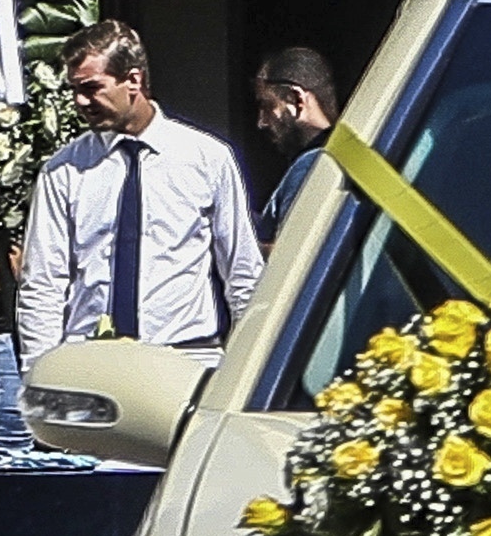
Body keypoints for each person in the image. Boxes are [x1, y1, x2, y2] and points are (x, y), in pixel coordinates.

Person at [17, 24, 265, 363]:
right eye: (74, 90)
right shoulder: (64, 170)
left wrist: (248, 365)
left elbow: (242, 270)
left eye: (91, 88)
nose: (80, 101)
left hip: (185, 356)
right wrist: (38, 374)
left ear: (133, 80)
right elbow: (43, 283)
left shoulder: (206, 158)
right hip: (92, 360)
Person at [251, 45, 342, 236]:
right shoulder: (341, 159)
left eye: (267, 106)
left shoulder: (311, 165)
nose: (262, 122)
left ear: (295, 100)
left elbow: (289, 252)